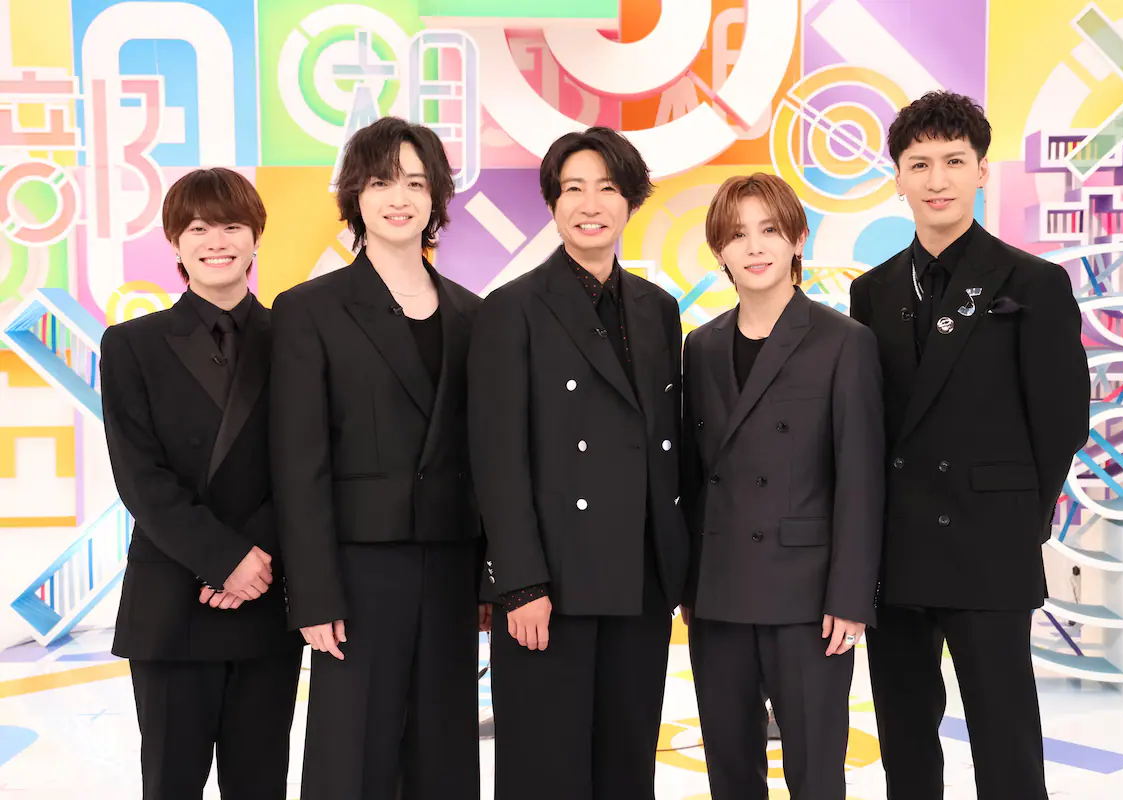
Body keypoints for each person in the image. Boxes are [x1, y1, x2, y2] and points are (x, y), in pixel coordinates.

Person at [848, 90, 1091, 800]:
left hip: (990, 542)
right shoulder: (871, 292)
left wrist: (1019, 519)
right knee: (904, 732)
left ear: (982, 171)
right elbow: (868, 423)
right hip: (896, 547)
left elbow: (1062, 421)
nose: (938, 180)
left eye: (954, 161)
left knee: (1003, 731)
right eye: (919, 164)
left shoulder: (1034, 282)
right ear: (897, 177)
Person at [468, 126, 689, 800]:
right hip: (551, 585)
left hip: (640, 580)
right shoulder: (512, 308)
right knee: (546, 770)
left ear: (631, 201)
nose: (590, 204)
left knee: (627, 767)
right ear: (553, 203)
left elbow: (665, 446)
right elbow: (497, 458)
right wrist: (518, 584)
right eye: (573, 189)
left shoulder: (657, 308)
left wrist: (678, 571)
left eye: (608, 188)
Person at [270, 116, 486, 800]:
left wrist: (491, 576)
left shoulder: (474, 314)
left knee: (444, 754)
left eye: (417, 183)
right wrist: (313, 592)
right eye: (382, 182)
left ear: (437, 197)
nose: (400, 197)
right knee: (351, 757)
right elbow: (298, 465)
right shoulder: (309, 309)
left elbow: (490, 457)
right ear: (355, 197)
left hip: (451, 566)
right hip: (357, 573)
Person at [678, 173, 884, 799]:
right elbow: (693, 476)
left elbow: (860, 478)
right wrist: (687, 586)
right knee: (730, 772)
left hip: (809, 599)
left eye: (769, 229)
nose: (754, 247)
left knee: (816, 774)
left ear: (798, 238)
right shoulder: (701, 346)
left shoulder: (843, 341)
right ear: (719, 250)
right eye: (737, 234)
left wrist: (850, 595)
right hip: (718, 594)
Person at [99, 167, 301, 800]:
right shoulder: (132, 344)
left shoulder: (297, 339)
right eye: (197, 229)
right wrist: (224, 558)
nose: (217, 242)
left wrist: (255, 559)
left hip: (266, 594)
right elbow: (140, 477)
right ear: (175, 242)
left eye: (232, 226)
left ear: (256, 236)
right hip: (173, 598)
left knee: (261, 781)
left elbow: (310, 464)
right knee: (171, 782)